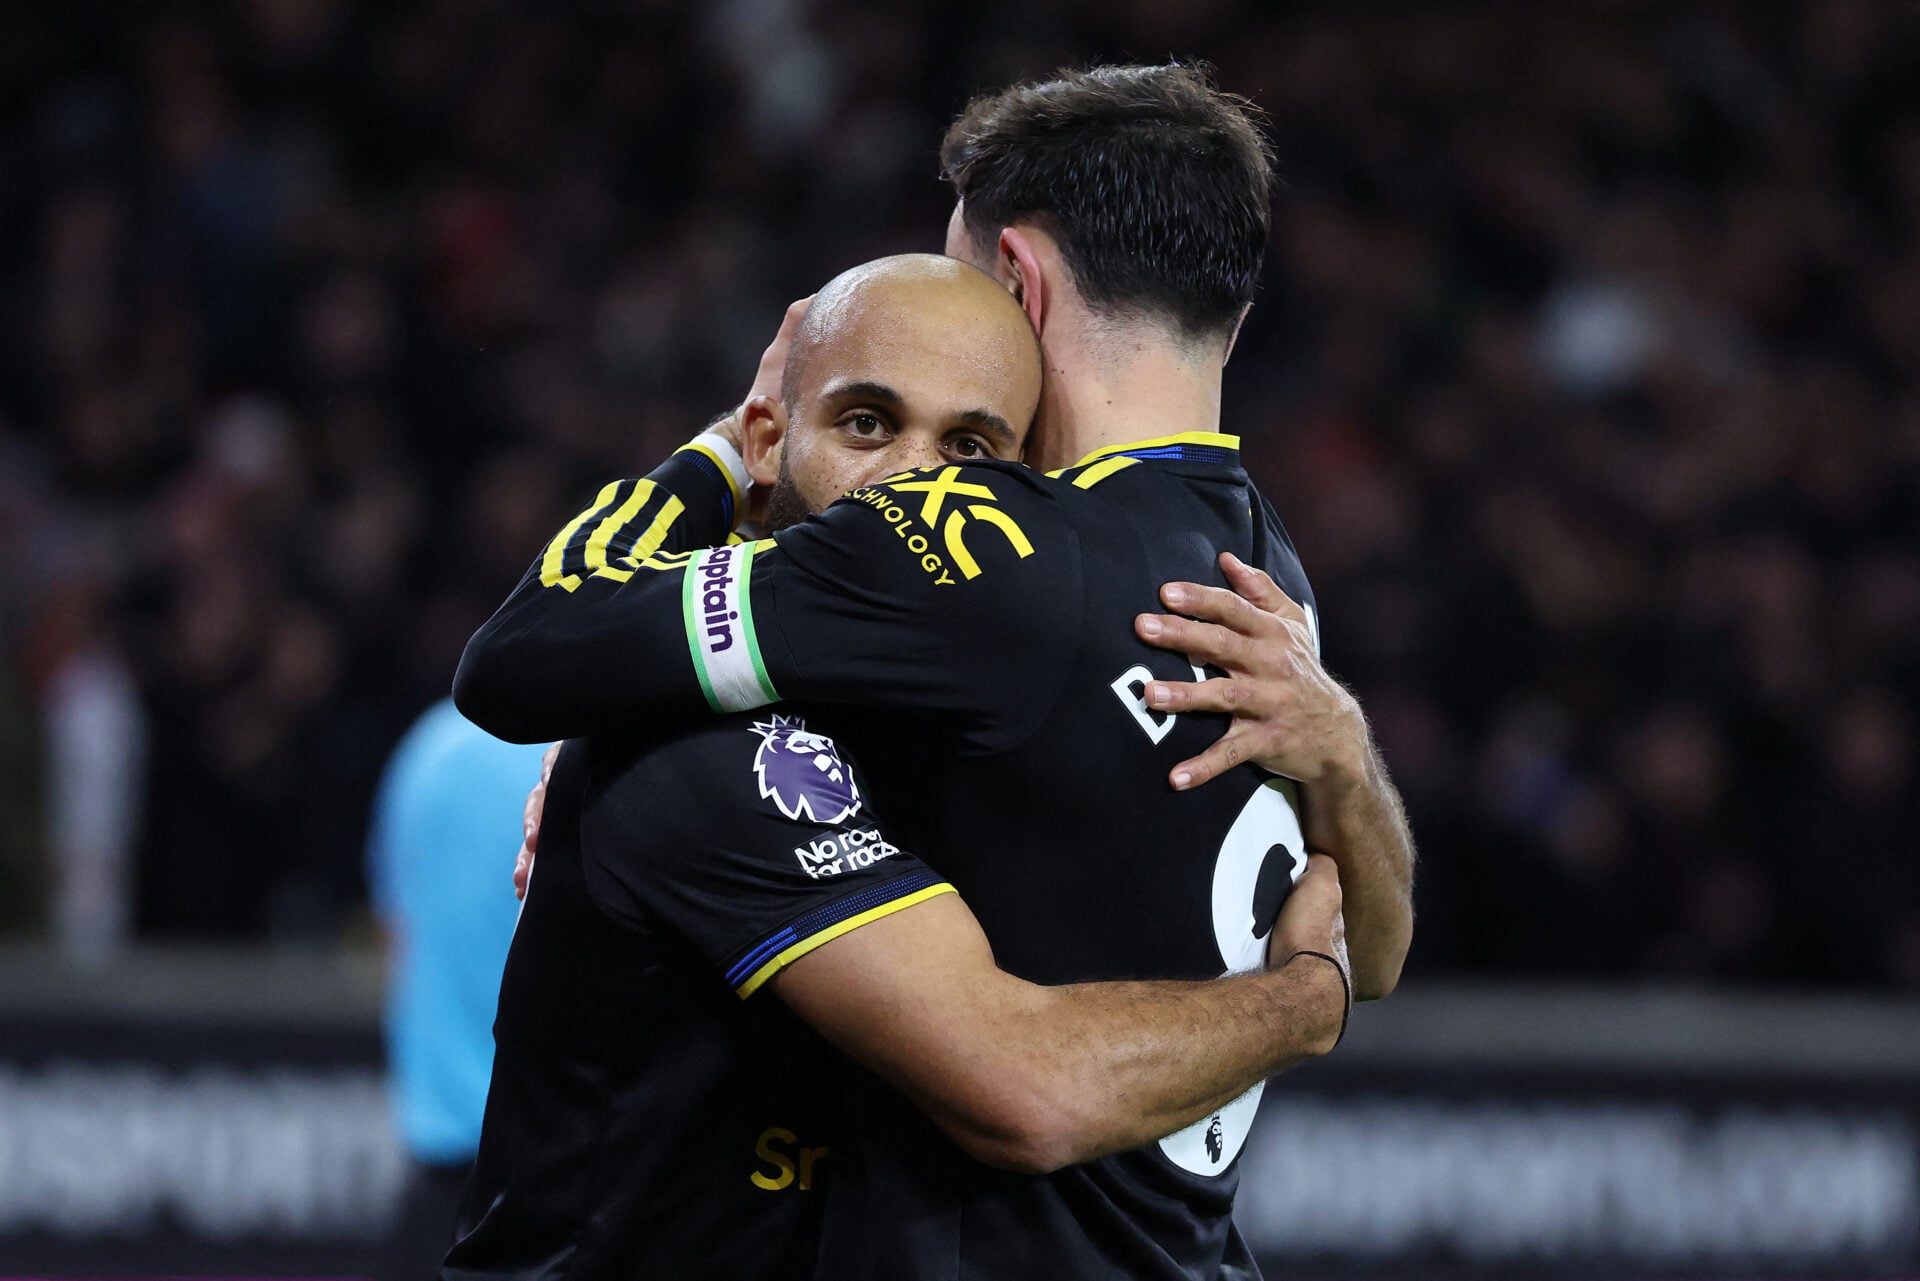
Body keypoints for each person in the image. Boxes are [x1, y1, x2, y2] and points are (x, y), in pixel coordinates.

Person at [456, 64, 1415, 1279]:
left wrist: (723, 463)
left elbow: (532, 648)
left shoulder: (981, 550)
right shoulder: (1267, 577)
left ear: (1017, 280)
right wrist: (1349, 764)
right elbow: (1375, 950)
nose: (918, 474)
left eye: (963, 438)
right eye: (872, 424)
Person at [366, 697, 548, 1278]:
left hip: (440, 1181)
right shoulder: (596, 752)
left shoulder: (426, 748)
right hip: (555, 1169)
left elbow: (394, 931)